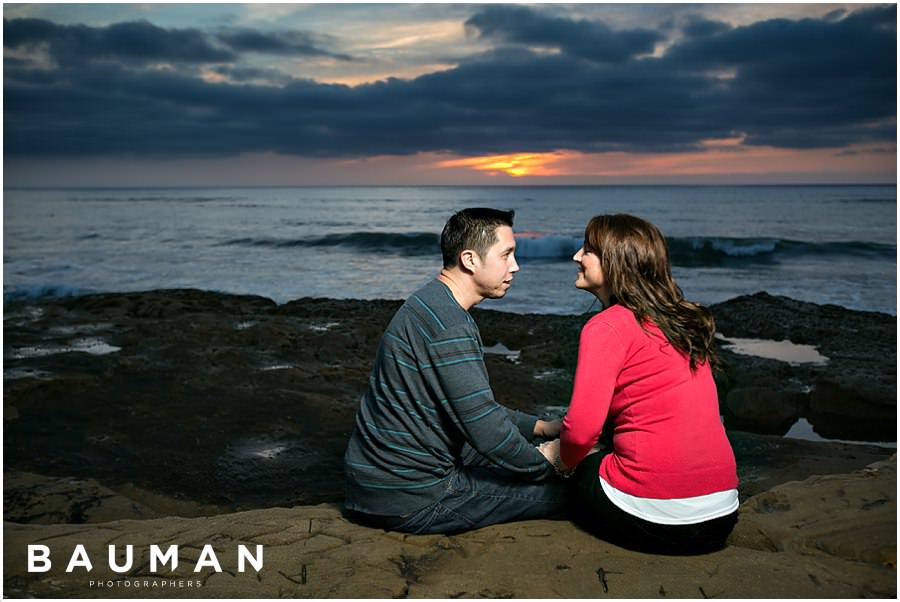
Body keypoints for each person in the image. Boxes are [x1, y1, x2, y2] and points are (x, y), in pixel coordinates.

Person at [344, 208, 567, 534]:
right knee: (568, 494)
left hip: (375, 483)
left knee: (508, 460)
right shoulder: (450, 325)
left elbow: (472, 408)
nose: (515, 266)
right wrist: (547, 466)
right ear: (470, 260)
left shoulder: (430, 302)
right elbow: (486, 431)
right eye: (506, 254)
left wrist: (540, 427)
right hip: (411, 498)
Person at [539, 213, 739, 555]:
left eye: (587, 249)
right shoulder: (682, 321)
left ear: (615, 261)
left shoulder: (607, 327)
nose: (576, 256)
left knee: (574, 465)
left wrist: (560, 459)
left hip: (653, 518)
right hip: (721, 515)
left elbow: (582, 430)